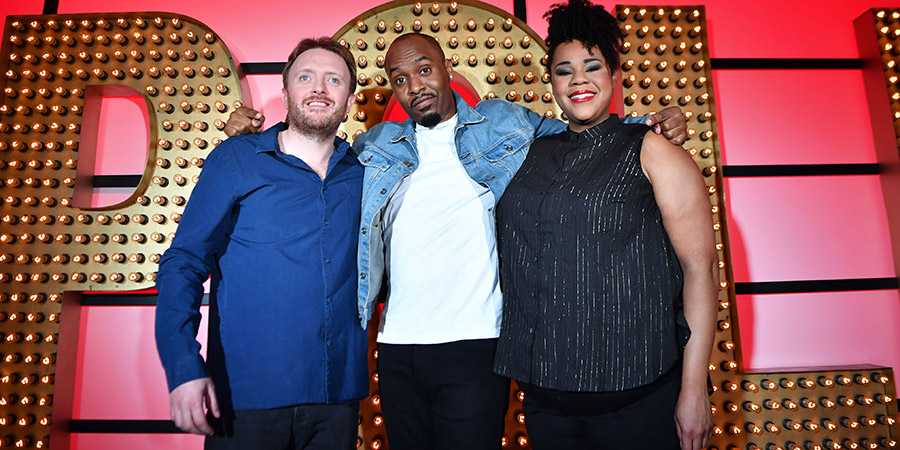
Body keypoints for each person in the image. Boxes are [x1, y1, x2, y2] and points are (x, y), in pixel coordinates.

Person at [224, 33, 688, 450]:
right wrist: (252, 137)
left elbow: (583, 135)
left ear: (447, 69)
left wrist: (653, 122)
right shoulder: (376, 145)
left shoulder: (503, 124)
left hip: (476, 343)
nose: (415, 85)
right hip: (397, 346)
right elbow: (313, 153)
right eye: (400, 78)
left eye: (424, 69)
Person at [492, 1, 718, 449]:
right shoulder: (526, 154)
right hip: (543, 401)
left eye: (592, 66)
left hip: (636, 400)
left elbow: (701, 269)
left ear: (615, 75)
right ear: (551, 80)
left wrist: (694, 389)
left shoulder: (653, 150)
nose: (578, 79)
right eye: (564, 70)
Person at [154, 37, 367, 450]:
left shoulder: (366, 172)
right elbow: (183, 262)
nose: (319, 88)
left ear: (349, 99)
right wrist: (182, 365)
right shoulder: (236, 159)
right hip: (245, 400)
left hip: (337, 400)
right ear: (286, 91)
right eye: (306, 77)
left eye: (333, 80)